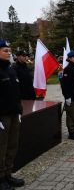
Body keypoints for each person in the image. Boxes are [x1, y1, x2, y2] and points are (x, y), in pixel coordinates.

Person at [0, 40, 25, 189]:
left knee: (12, 145)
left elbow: (16, 93)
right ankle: (1, 178)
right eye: (5, 50)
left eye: (9, 50)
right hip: (2, 116)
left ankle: (8, 174)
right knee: (1, 147)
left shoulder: (10, 70)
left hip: (14, 114)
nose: (9, 53)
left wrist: (19, 110)